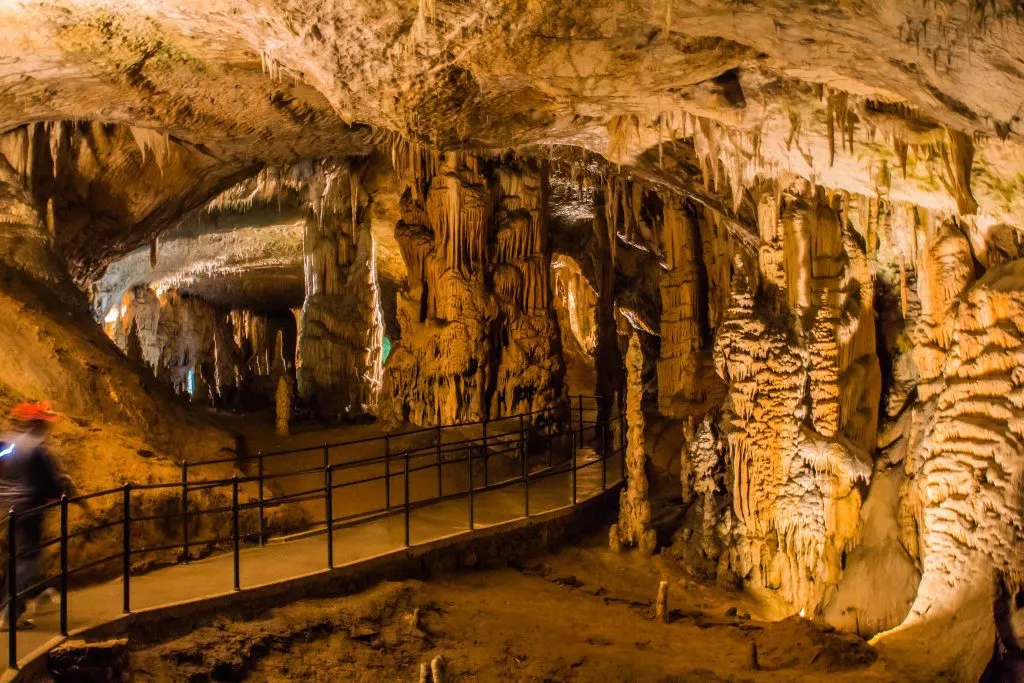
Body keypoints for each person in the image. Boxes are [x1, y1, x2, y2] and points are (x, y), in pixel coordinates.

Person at [0, 401, 74, 630]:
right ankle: (9, 615)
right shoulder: (38, 450)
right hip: (29, 509)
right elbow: (47, 484)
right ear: (38, 424)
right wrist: (65, 489)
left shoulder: (7, 441)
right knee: (27, 562)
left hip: (6, 509)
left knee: (14, 559)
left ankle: (8, 607)